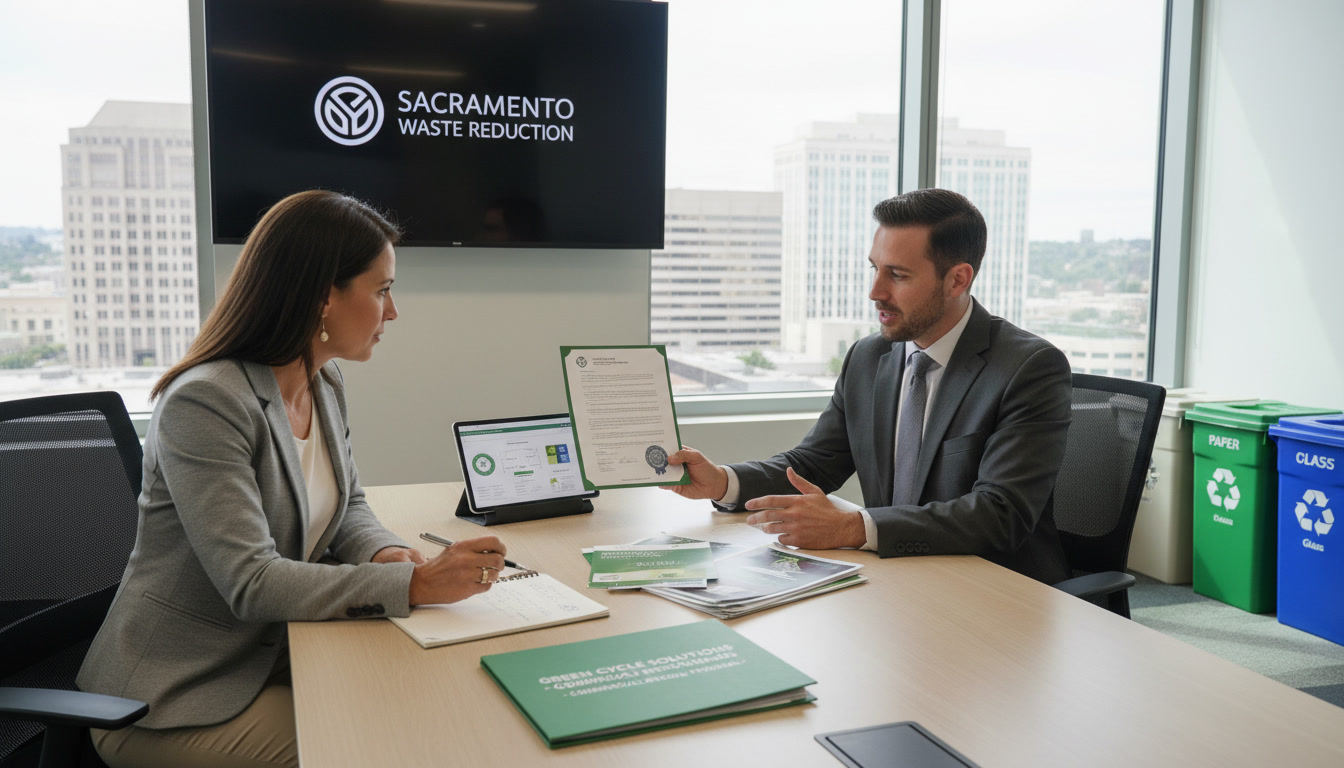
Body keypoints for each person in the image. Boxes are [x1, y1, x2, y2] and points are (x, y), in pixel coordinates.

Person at [77, 190, 508, 768]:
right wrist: (416, 588)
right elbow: (252, 581)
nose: (394, 311)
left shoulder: (321, 382)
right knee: (385, 750)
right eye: (382, 290)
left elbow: (348, 504)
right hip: (172, 695)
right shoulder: (206, 402)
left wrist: (389, 555)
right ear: (323, 296)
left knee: (441, 704)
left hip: (270, 652)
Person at [662, 188, 1073, 584]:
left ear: (957, 280)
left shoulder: (1028, 368)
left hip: (994, 589)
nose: (875, 291)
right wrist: (722, 481)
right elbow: (813, 464)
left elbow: (1000, 514)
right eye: (874, 268)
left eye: (897, 275)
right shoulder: (868, 357)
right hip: (897, 576)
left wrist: (853, 527)